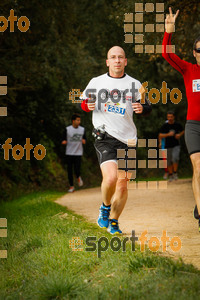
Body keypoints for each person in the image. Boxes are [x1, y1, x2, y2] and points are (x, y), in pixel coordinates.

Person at [80, 46, 151, 234]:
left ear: (125, 61)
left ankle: (114, 221)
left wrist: (143, 108)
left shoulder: (136, 84)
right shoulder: (96, 82)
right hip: (105, 137)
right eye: (113, 57)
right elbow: (83, 104)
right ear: (107, 62)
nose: (117, 60)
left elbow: (147, 105)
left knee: (123, 183)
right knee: (111, 178)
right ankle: (104, 207)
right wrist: (87, 105)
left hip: (128, 139)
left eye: (120, 57)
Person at [162, 7, 200, 230]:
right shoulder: (188, 70)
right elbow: (167, 54)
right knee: (198, 166)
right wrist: (169, 32)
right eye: (199, 50)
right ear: (194, 53)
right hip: (194, 126)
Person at [62, 113, 86, 192]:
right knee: (69, 170)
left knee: (77, 169)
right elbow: (63, 139)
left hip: (78, 152)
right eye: (77, 120)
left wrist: (84, 141)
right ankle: (71, 186)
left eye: (80, 120)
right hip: (69, 152)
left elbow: (84, 139)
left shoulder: (82, 129)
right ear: (73, 121)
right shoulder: (67, 129)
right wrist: (64, 141)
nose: (79, 121)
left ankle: (78, 177)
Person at [159, 111, 184, 181]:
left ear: (174, 117)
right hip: (167, 145)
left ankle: (175, 173)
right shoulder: (165, 126)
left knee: (175, 158)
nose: (170, 118)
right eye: (168, 117)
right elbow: (160, 135)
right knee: (168, 161)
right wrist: (168, 135)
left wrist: (179, 135)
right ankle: (170, 174)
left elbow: (183, 131)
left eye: (171, 117)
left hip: (176, 145)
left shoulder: (177, 125)